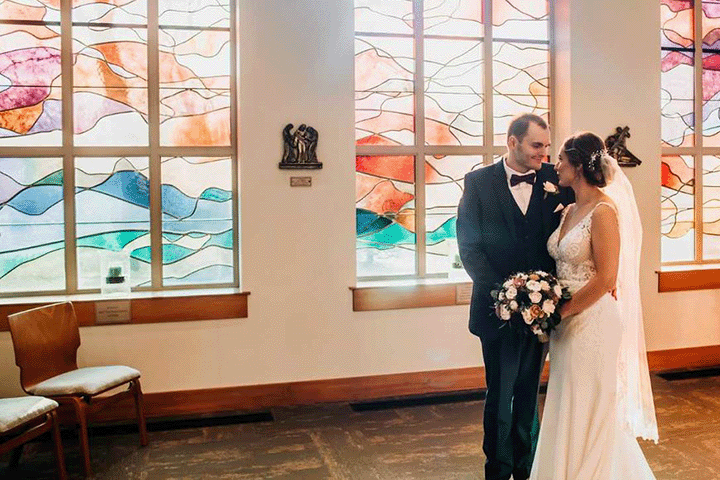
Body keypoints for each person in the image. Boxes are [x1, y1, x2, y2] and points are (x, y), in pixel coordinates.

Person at [529, 131, 658, 479]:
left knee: (589, 404)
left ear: (578, 166)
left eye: (560, 159)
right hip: (565, 324)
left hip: (593, 321)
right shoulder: (570, 208)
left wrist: (562, 311)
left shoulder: (603, 210)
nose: (555, 165)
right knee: (567, 402)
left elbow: (606, 278)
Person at [457, 113, 574, 480]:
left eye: (547, 146)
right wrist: (507, 297)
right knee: (500, 394)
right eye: (537, 145)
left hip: (542, 312)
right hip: (497, 311)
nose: (545, 153)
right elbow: (469, 247)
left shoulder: (557, 181)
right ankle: (497, 468)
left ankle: (527, 468)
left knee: (528, 395)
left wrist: (540, 301)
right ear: (513, 142)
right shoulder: (478, 183)